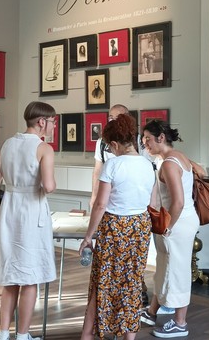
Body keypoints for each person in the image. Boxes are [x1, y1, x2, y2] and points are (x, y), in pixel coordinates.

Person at [78, 113, 155, 340]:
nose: (110, 151)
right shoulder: (147, 165)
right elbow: (152, 202)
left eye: (109, 147)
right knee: (131, 283)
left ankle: (87, 334)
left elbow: (101, 204)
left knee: (102, 282)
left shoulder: (112, 165)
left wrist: (88, 236)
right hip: (140, 226)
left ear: (113, 144)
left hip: (115, 227)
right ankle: (128, 337)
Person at [0, 101, 57, 340]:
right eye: (52, 122)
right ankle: (23, 335)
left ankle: (4, 334)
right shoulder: (43, 149)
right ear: (41, 122)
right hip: (31, 213)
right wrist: (51, 184)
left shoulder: (7, 144)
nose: (53, 127)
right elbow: (48, 186)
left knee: (10, 279)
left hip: (9, 210)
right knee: (30, 279)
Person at [140, 120, 199, 338]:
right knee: (166, 267)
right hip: (180, 220)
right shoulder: (177, 157)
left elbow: (178, 202)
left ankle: (180, 323)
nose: (144, 142)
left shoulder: (169, 164)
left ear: (161, 138)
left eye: (148, 138)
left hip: (178, 222)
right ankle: (151, 312)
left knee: (177, 271)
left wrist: (167, 227)